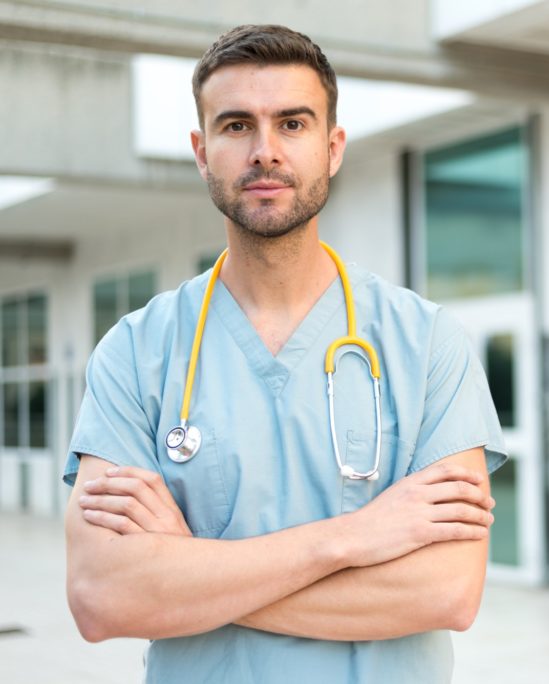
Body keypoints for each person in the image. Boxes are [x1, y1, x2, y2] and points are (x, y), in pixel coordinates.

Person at [63, 24, 506, 683]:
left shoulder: (426, 342)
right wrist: (353, 539)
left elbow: (445, 592)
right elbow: (105, 596)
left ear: (332, 148)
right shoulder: (136, 351)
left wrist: (193, 571)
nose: (264, 152)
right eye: (237, 126)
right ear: (201, 150)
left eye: (292, 124)